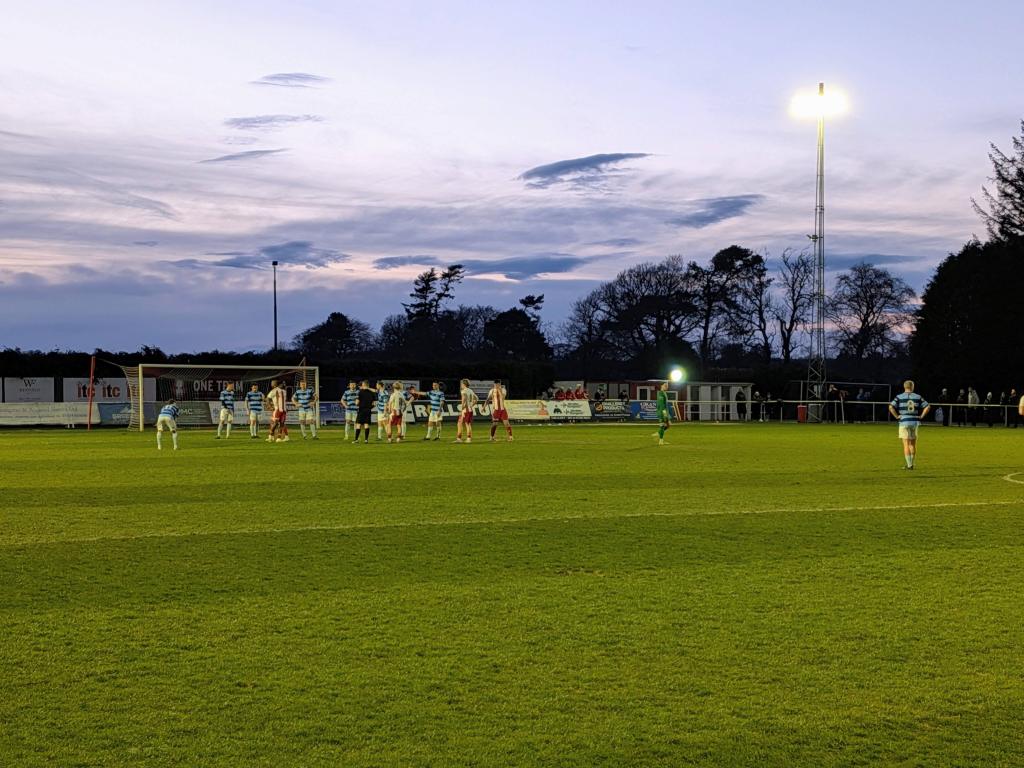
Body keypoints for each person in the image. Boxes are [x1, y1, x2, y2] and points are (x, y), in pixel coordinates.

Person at [888, 380, 931, 470]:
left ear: (904, 387)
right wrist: (921, 416)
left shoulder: (899, 396)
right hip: (914, 422)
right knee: (912, 444)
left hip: (904, 421)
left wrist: (896, 416)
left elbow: (891, 407)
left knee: (906, 444)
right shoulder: (918, 396)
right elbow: (927, 406)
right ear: (912, 387)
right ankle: (912, 463)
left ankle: (909, 465)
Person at [455, 378, 478, 443]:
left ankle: (463, 439)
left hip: (465, 410)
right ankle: (465, 438)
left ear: (464, 384)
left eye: (461, 384)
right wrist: (471, 405)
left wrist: (462, 409)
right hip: (469, 410)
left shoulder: (463, 391)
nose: (461, 385)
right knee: (465, 424)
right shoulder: (471, 390)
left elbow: (464, 400)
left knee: (462, 423)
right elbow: (476, 399)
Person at [653, 381, 671, 445]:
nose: (666, 386)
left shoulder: (664, 393)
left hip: (665, 411)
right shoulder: (660, 393)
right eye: (665, 385)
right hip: (662, 412)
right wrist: (664, 414)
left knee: (668, 425)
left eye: (667, 386)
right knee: (663, 425)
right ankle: (661, 441)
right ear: (661, 386)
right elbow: (662, 405)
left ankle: (659, 433)